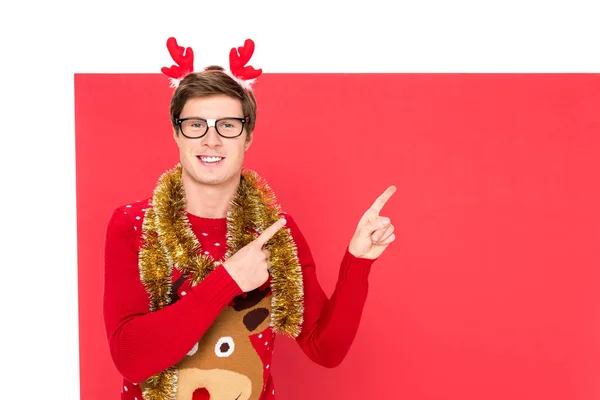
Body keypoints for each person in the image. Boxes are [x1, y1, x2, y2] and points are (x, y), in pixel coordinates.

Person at [103, 37, 396, 400]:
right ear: (177, 133)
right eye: (196, 125)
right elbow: (130, 358)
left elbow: (325, 349)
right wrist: (227, 280)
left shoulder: (275, 232)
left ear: (248, 136)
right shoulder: (132, 224)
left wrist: (358, 263)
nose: (211, 140)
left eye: (228, 125)